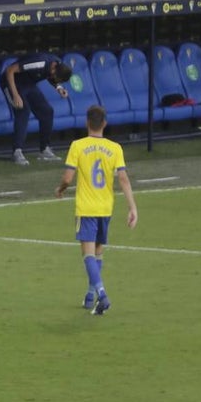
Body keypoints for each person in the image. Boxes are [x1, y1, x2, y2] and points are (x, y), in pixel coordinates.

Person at [54, 105, 138, 316]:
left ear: (86, 123)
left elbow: (67, 178)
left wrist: (61, 189)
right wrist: (132, 207)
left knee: (88, 255)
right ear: (105, 124)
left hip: (86, 207)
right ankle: (90, 296)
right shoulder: (115, 148)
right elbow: (123, 178)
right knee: (98, 252)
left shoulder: (78, 146)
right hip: (105, 207)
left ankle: (102, 295)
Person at [1, 52, 72, 166]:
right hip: (10, 82)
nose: (54, 79)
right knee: (23, 111)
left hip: (28, 84)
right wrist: (15, 95)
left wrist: (59, 88)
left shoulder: (56, 65)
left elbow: (51, 76)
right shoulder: (38, 63)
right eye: (56, 77)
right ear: (54, 69)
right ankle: (17, 152)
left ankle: (44, 150)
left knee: (47, 112)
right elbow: (10, 70)